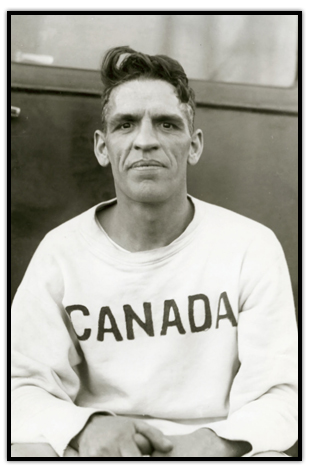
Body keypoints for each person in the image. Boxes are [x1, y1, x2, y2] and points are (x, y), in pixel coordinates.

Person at [11, 46, 298, 458]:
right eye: (125, 125)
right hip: (102, 453)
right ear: (101, 147)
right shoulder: (61, 252)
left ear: (194, 145)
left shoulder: (250, 246)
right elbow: (19, 390)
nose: (145, 141)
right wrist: (86, 429)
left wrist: (206, 444)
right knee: (24, 454)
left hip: (211, 454)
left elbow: (281, 398)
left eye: (166, 124)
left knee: (272, 460)